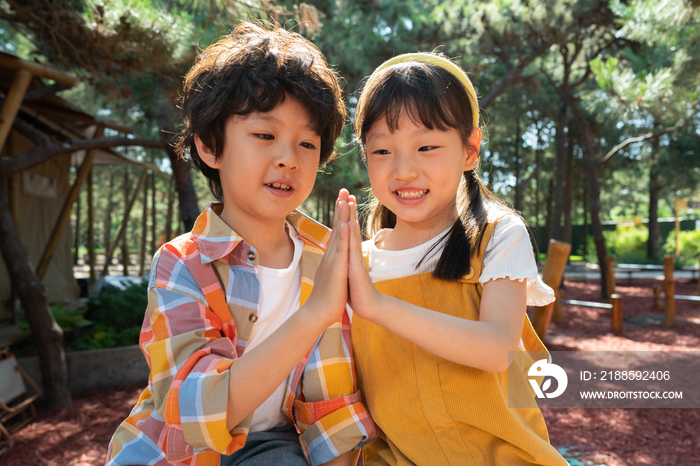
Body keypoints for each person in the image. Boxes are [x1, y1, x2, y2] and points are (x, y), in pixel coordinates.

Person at [107, 22, 376, 466]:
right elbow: (196, 411)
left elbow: (332, 403)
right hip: (180, 451)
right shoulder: (183, 262)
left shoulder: (323, 257)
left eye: (307, 143)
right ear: (211, 147)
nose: (288, 157)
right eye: (265, 135)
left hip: (276, 444)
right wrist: (313, 315)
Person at [344, 52, 569, 465]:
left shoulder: (497, 235)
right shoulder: (358, 263)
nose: (404, 170)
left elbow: (496, 348)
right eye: (382, 151)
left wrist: (377, 306)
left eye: (426, 146)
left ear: (469, 149)